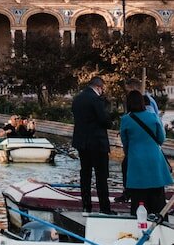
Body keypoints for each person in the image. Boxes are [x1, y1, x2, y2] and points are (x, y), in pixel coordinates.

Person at [120, 88, 173, 216]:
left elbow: (124, 141)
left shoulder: (126, 119)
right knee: (158, 196)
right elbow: (161, 139)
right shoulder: (153, 116)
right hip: (154, 159)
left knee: (138, 196)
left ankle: (139, 223)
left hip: (136, 160)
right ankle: (160, 224)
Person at [71, 75, 112, 214]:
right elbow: (104, 120)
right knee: (101, 176)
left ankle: (86, 206)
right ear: (99, 87)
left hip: (82, 142)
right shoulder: (96, 100)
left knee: (85, 174)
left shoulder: (77, 99)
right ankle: (104, 208)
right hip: (97, 142)